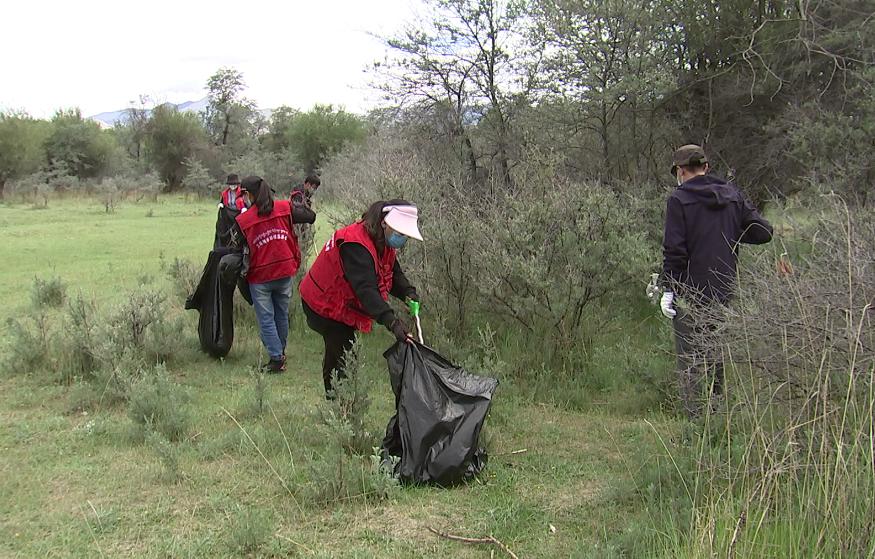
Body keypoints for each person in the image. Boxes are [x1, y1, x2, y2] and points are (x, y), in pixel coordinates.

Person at [659, 144, 773, 417]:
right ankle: (718, 413)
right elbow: (763, 232)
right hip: (724, 289)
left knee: (690, 358)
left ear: (681, 171)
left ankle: (695, 421)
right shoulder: (732, 195)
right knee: (716, 354)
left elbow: (675, 249)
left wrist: (668, 289)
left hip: (690, 291)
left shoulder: (679, 199)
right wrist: (729, 231)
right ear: (706, 167)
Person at [299, 200, 422, 397]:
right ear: (384, 222)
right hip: (322, 301)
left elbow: (392, 270)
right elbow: (366, 291)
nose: (403, 238)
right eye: (401, 233)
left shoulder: (382, 240)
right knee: (343, 352)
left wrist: (408, 292)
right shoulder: (356, 245)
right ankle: (339, 407)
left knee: (341, 350)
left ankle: (339, 402)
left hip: (340, 300)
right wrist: (393, 323)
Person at [233, 176, 316, 372]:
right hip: (285, 270)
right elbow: (310, 216)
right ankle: (281, 352)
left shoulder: (243, 220)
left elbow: (233, 243)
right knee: (281, 314)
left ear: (248, 194)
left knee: (266, 318)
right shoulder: (284, 208)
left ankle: (276, 359)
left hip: (260, 276)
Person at [214, 174, 249, 249]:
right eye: (231, 184)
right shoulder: (225, 193)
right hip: (228, 215)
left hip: (238, 214)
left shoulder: (242, 193)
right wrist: (221, 204)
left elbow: (247, 204)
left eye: (234, 184)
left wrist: (244, 208)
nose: (232, 186)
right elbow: (222, 202)